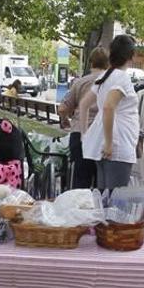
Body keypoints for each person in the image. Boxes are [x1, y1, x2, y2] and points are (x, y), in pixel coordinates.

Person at [80, 34, 140, 190]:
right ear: (131, 56)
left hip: (104, 143)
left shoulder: (105, 77)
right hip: (117, 145)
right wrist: (109, 143)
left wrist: (84, 134)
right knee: (115, 201)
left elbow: (84, 104)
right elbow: (108, 106)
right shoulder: (122, 78)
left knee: (103, 199)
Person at [58, 47, 109, 189]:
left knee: (81, 182)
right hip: (103, 136)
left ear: (91, 62)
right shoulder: (112, 83)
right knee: (102, 184)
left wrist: (64, 120)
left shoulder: (79, 83)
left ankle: (79, 209)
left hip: (79, 134)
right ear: (108, 63)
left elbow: (62, 108)